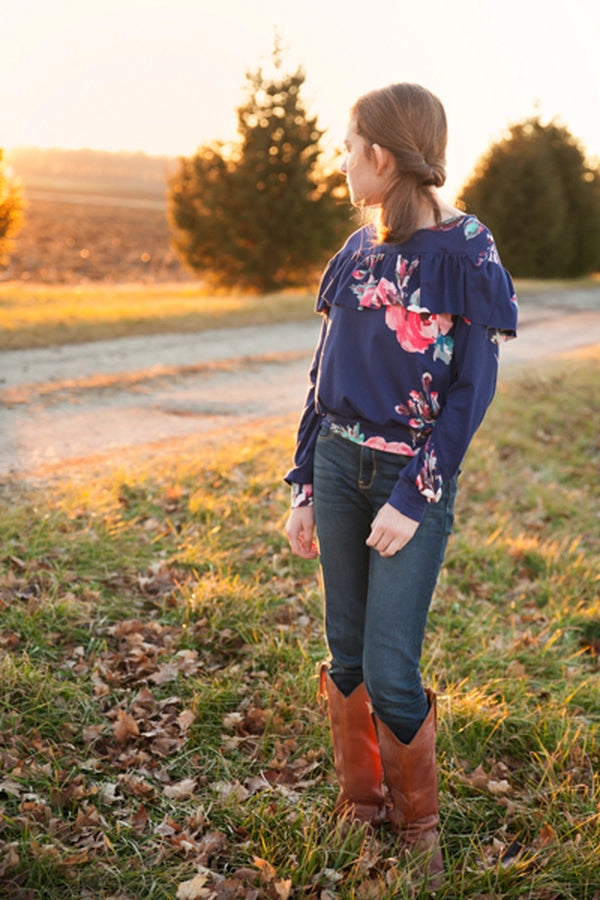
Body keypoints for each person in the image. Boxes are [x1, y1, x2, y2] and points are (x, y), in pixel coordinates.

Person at [284, 83, 517, 890]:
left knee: (388, 666)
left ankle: (418, 822)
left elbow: (471, 393)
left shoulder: (467, 255)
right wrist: (306, 484)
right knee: (344, 655)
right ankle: (363, 803)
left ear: (382, 157)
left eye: (349, 147)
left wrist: (413, 497)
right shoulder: (354, 255)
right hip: (339, 472)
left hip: (409, 481)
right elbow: (325, 377)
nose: (343, 162)